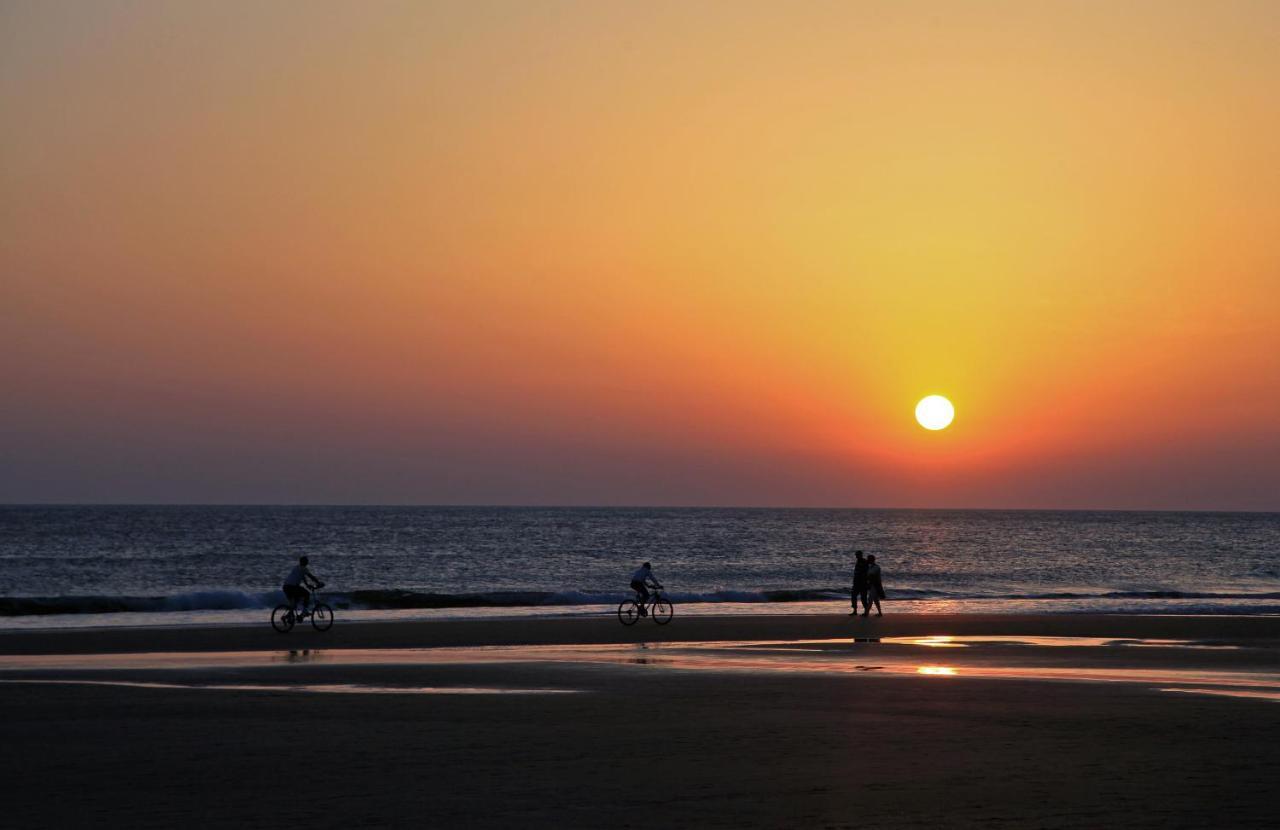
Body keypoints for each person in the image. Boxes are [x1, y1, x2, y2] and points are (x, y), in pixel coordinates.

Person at [850, 550, 869, 616]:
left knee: (863, 598)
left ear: (860, 555)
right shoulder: (858, 561)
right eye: (856, 555)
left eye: (857, 555)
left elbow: (866, 572)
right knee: (853, 596)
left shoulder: (864, 562)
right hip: (857, 583)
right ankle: (855, 610)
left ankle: (866, 612)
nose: (856, 556)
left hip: (863, 583)